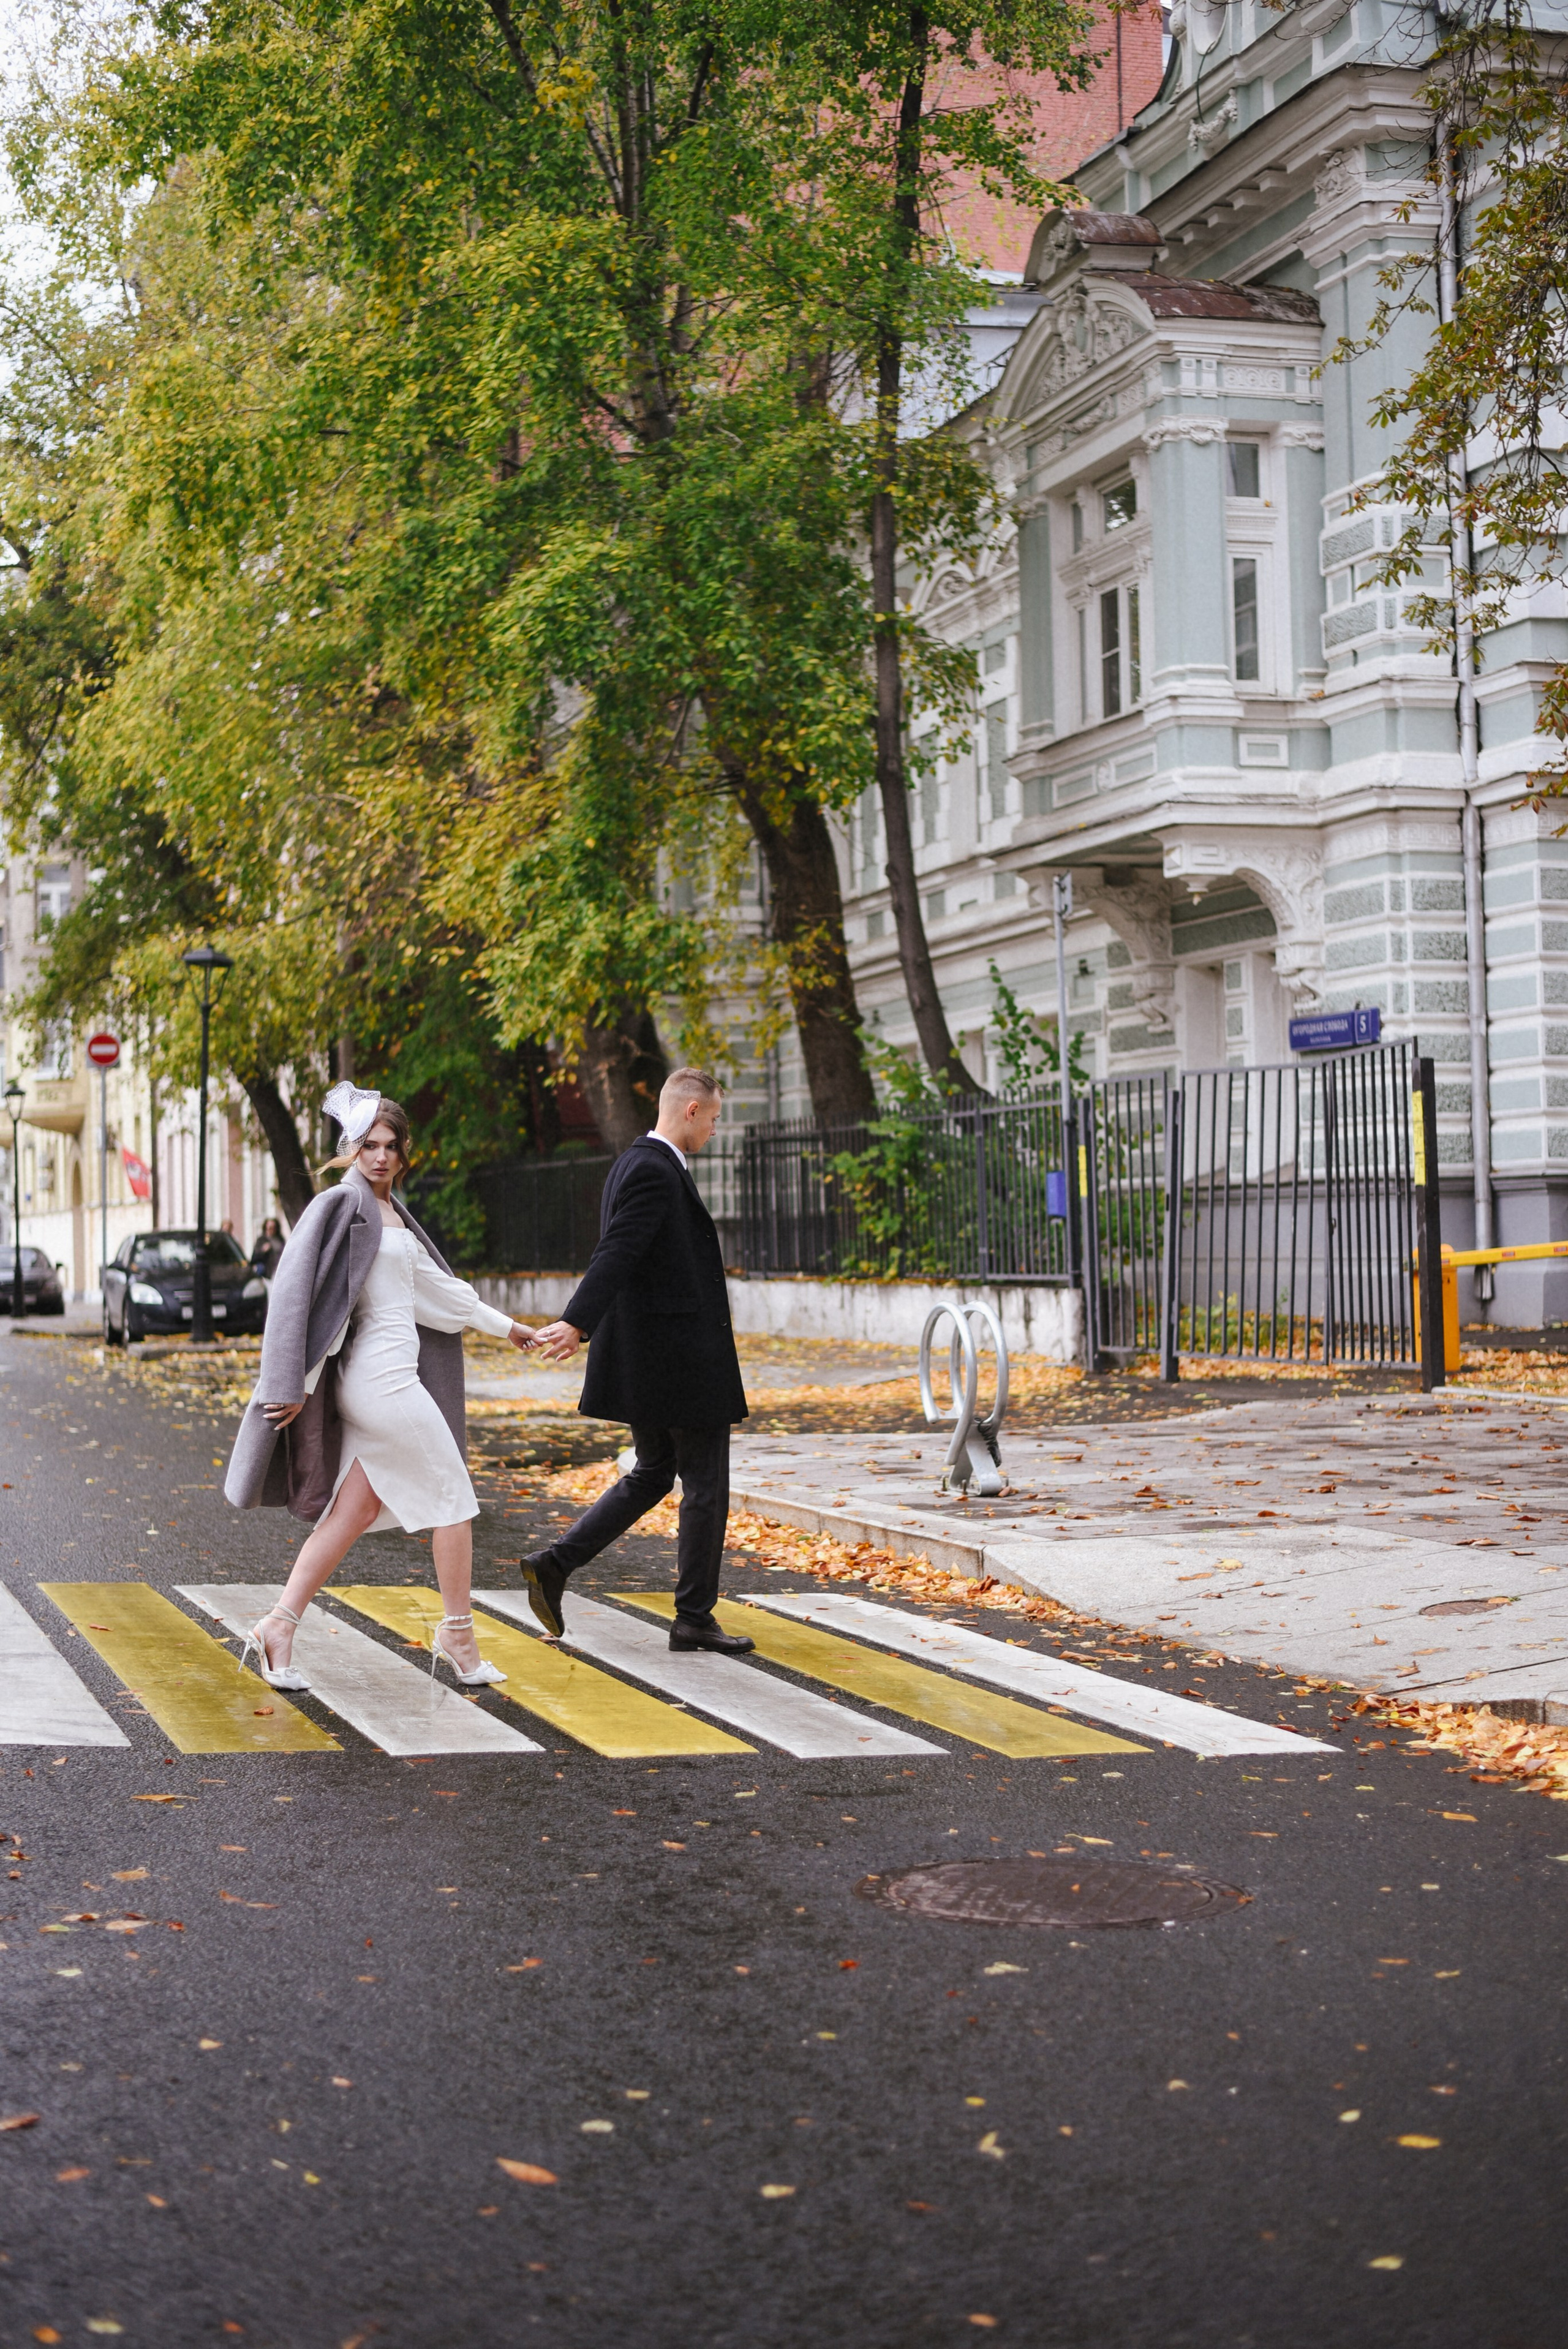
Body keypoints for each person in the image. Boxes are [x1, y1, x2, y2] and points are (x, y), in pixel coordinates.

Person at [222, 1084, 536, 1690]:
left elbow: (442, 1294)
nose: (381, 1156)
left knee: (354, 1511)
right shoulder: (342, 1205)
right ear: (351, 1149)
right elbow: (294, 1295)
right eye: (369, 1145)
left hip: (388, 1378)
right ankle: (458, 1635)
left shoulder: (391, 1213)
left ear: (403, 1153)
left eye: (391, 1146)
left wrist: (510, 1329)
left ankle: (277, 1627)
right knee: (454, 1498)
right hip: (380, 1381)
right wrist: (291, 1381)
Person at [522, 1066, 753, 1655]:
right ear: (692, 1111)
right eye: (716, 1118)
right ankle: (694, 1616)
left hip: (655, 1360)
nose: (716, 1132)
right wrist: (578, 1322)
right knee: (705, 1483)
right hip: (682, 1362)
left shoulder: (634, 1163)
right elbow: (617, 1251)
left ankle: (554, 1564)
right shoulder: (654, 1170)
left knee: (654, 1471)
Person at [251, 1216, 285, 1283]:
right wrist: (263, 1251)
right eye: (270, 1228)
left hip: (279, 1269)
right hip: (267, 1272)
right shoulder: (261, 1240)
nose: (272, 1230)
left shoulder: (280, 1240)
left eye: (274, 1228)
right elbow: (254, 1258)